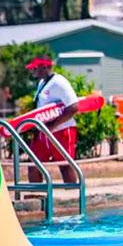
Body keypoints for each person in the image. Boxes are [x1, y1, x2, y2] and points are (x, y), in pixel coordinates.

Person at [26, 56, 79, 184]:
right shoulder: (42, 83)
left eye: (35, 68)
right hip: (43, 132)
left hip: (62, 130)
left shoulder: (59, 82)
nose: (33, 71)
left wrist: (53, 126)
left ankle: (72, 196)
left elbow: (73, 107)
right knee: (33, 164)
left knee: (65, 165)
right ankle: (36, 196)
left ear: (44, 67)